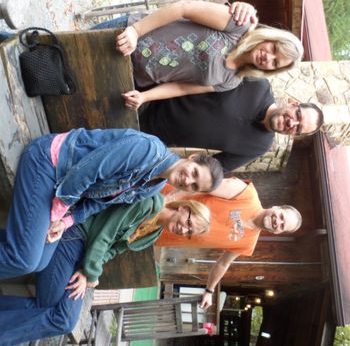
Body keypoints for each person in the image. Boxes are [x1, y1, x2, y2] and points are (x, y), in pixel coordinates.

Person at [0, 128, 222, 280]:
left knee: (40, 262)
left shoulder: (155, 185)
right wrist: (57, 213)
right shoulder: (148, 149)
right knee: (24, 260)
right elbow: (86, 171)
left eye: (194, 186)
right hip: (50, 163)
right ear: (192, 158)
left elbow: (101, 201)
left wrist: (67, 221)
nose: (188, 180)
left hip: (62, 192)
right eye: (194, 173)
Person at [0, 194, 211, 346]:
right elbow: (104, 235)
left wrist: (86, 272)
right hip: (75, 236)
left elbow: (113, 250)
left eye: (189, 233)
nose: (184, 230)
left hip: (83, 256)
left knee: (59, 316)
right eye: (189, 223)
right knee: (59, 317)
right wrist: (91, 274)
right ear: (184, 208)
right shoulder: (148, 203)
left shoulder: (154, 233)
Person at [93, 0, 303, 110]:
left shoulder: (231, 81)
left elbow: (183, 87)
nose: (268, 57)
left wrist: (145, 96)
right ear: (269, 37)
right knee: (61, 51)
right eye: (274, 49)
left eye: (275, 63)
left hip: (135, 75)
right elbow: (184, 8)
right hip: (127, 36)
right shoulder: (239, 24)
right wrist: (135, 31)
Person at [157, 178, 302, 309]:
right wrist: (166, 200)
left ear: (278, 233)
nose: (278, 222)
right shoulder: (246, 194)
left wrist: (209, 290)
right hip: (159, 202)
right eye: (282, 216)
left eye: (282, 226)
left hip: (159, 234)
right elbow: (202, 183)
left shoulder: (248, 243)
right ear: (276, 207)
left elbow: (223, 264)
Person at [140, 77, 324, 171]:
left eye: (298, 128)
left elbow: (217, 167)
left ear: (294, 136)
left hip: (148, 138)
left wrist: (175, 168)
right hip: (147, 96)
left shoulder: (260, 146)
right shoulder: (256, 84)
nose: (292, 122)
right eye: (297, 115)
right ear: (293, 104)